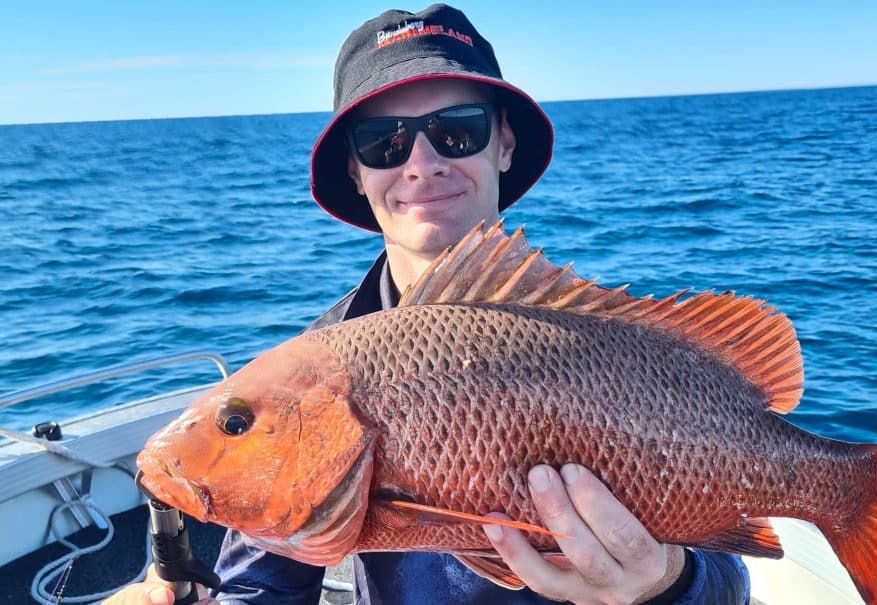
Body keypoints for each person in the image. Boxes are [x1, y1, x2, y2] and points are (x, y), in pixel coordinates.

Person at [105, 5, 750, 605]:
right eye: (383, 142)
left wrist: (669, 583)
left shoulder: (610, 341)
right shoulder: (314, 373)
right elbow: (261, 587)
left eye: (456, 131)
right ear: (356, 172)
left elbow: (731, 581)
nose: (421, 164)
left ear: (503, 143)